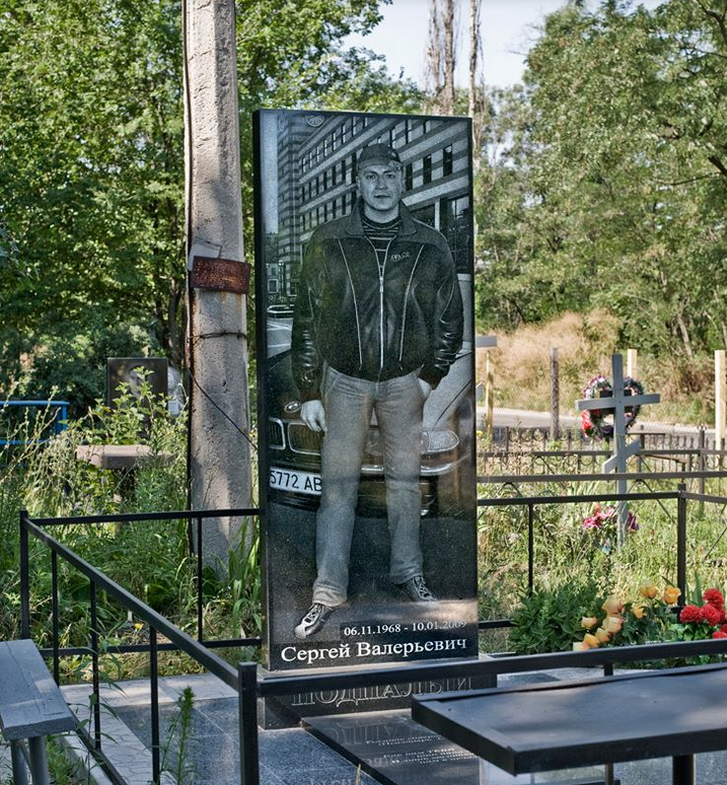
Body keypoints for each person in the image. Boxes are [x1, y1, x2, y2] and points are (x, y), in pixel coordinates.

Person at [291, 142, 463, 639]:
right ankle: (327, 591)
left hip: (404, 381)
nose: (381, 184)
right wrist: (309, 389)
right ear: (358, 183)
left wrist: (429, 375)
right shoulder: (328, 240)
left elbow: (449, 314)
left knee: (405, 485)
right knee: (339, 486)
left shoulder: (430, 244)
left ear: (402, 180)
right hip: (343, 380)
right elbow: (307, 315)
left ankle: (409, 574)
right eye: (371, 176)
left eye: (389, 174)